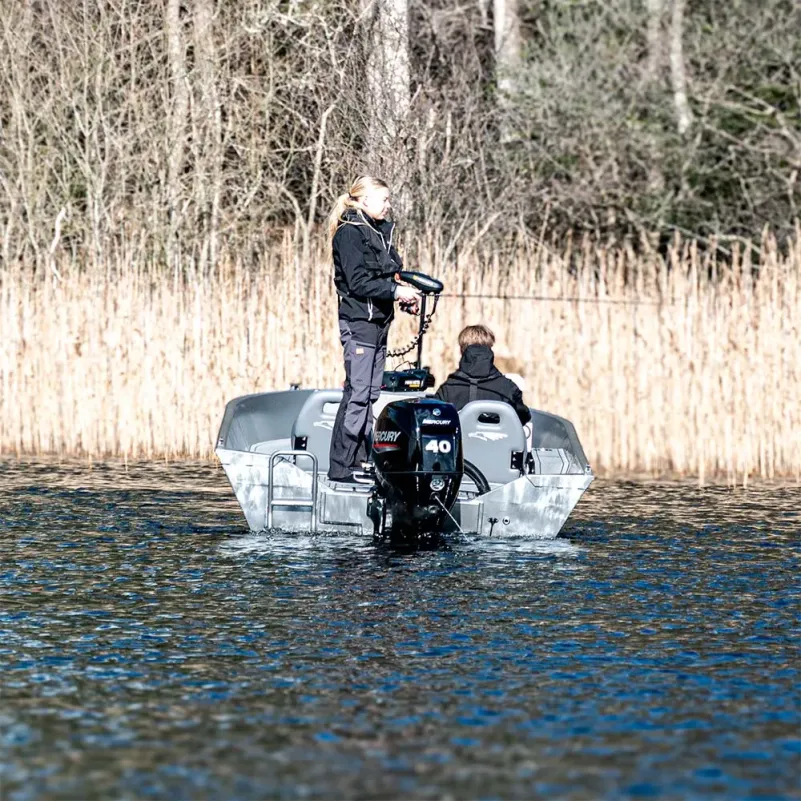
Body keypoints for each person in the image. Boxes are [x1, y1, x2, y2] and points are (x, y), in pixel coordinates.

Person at [327, 176, 420, 483]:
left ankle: (362, 461)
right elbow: (357, 282)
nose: (388, 205)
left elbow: (389, 275)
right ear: (365, 200)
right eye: (384, 199)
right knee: (356, 395)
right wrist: (395, 293)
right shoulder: (349, 233)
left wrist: (405, 296)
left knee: (369, 395)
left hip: (379, 324)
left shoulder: (381, 232)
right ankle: (342, 467)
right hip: (358, 323)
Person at [435, 324, 532, 425]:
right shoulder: (508, 388)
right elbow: (524, 417)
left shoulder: (448, 388)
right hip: (500, 440)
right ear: (490, 348)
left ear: (462, 350)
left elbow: (435, 417)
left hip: (460, 441)